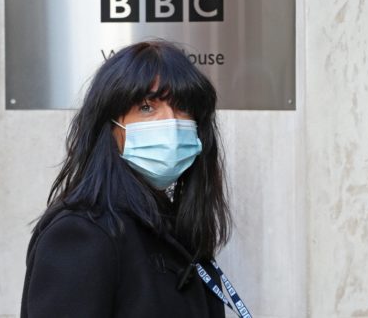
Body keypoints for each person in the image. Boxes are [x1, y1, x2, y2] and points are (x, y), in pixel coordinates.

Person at [20, 39, 238, 318]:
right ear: (110, 127)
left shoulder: (171, 225)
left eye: (183, 107)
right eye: (147, 107)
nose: (170, 122)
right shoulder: (82, 233)